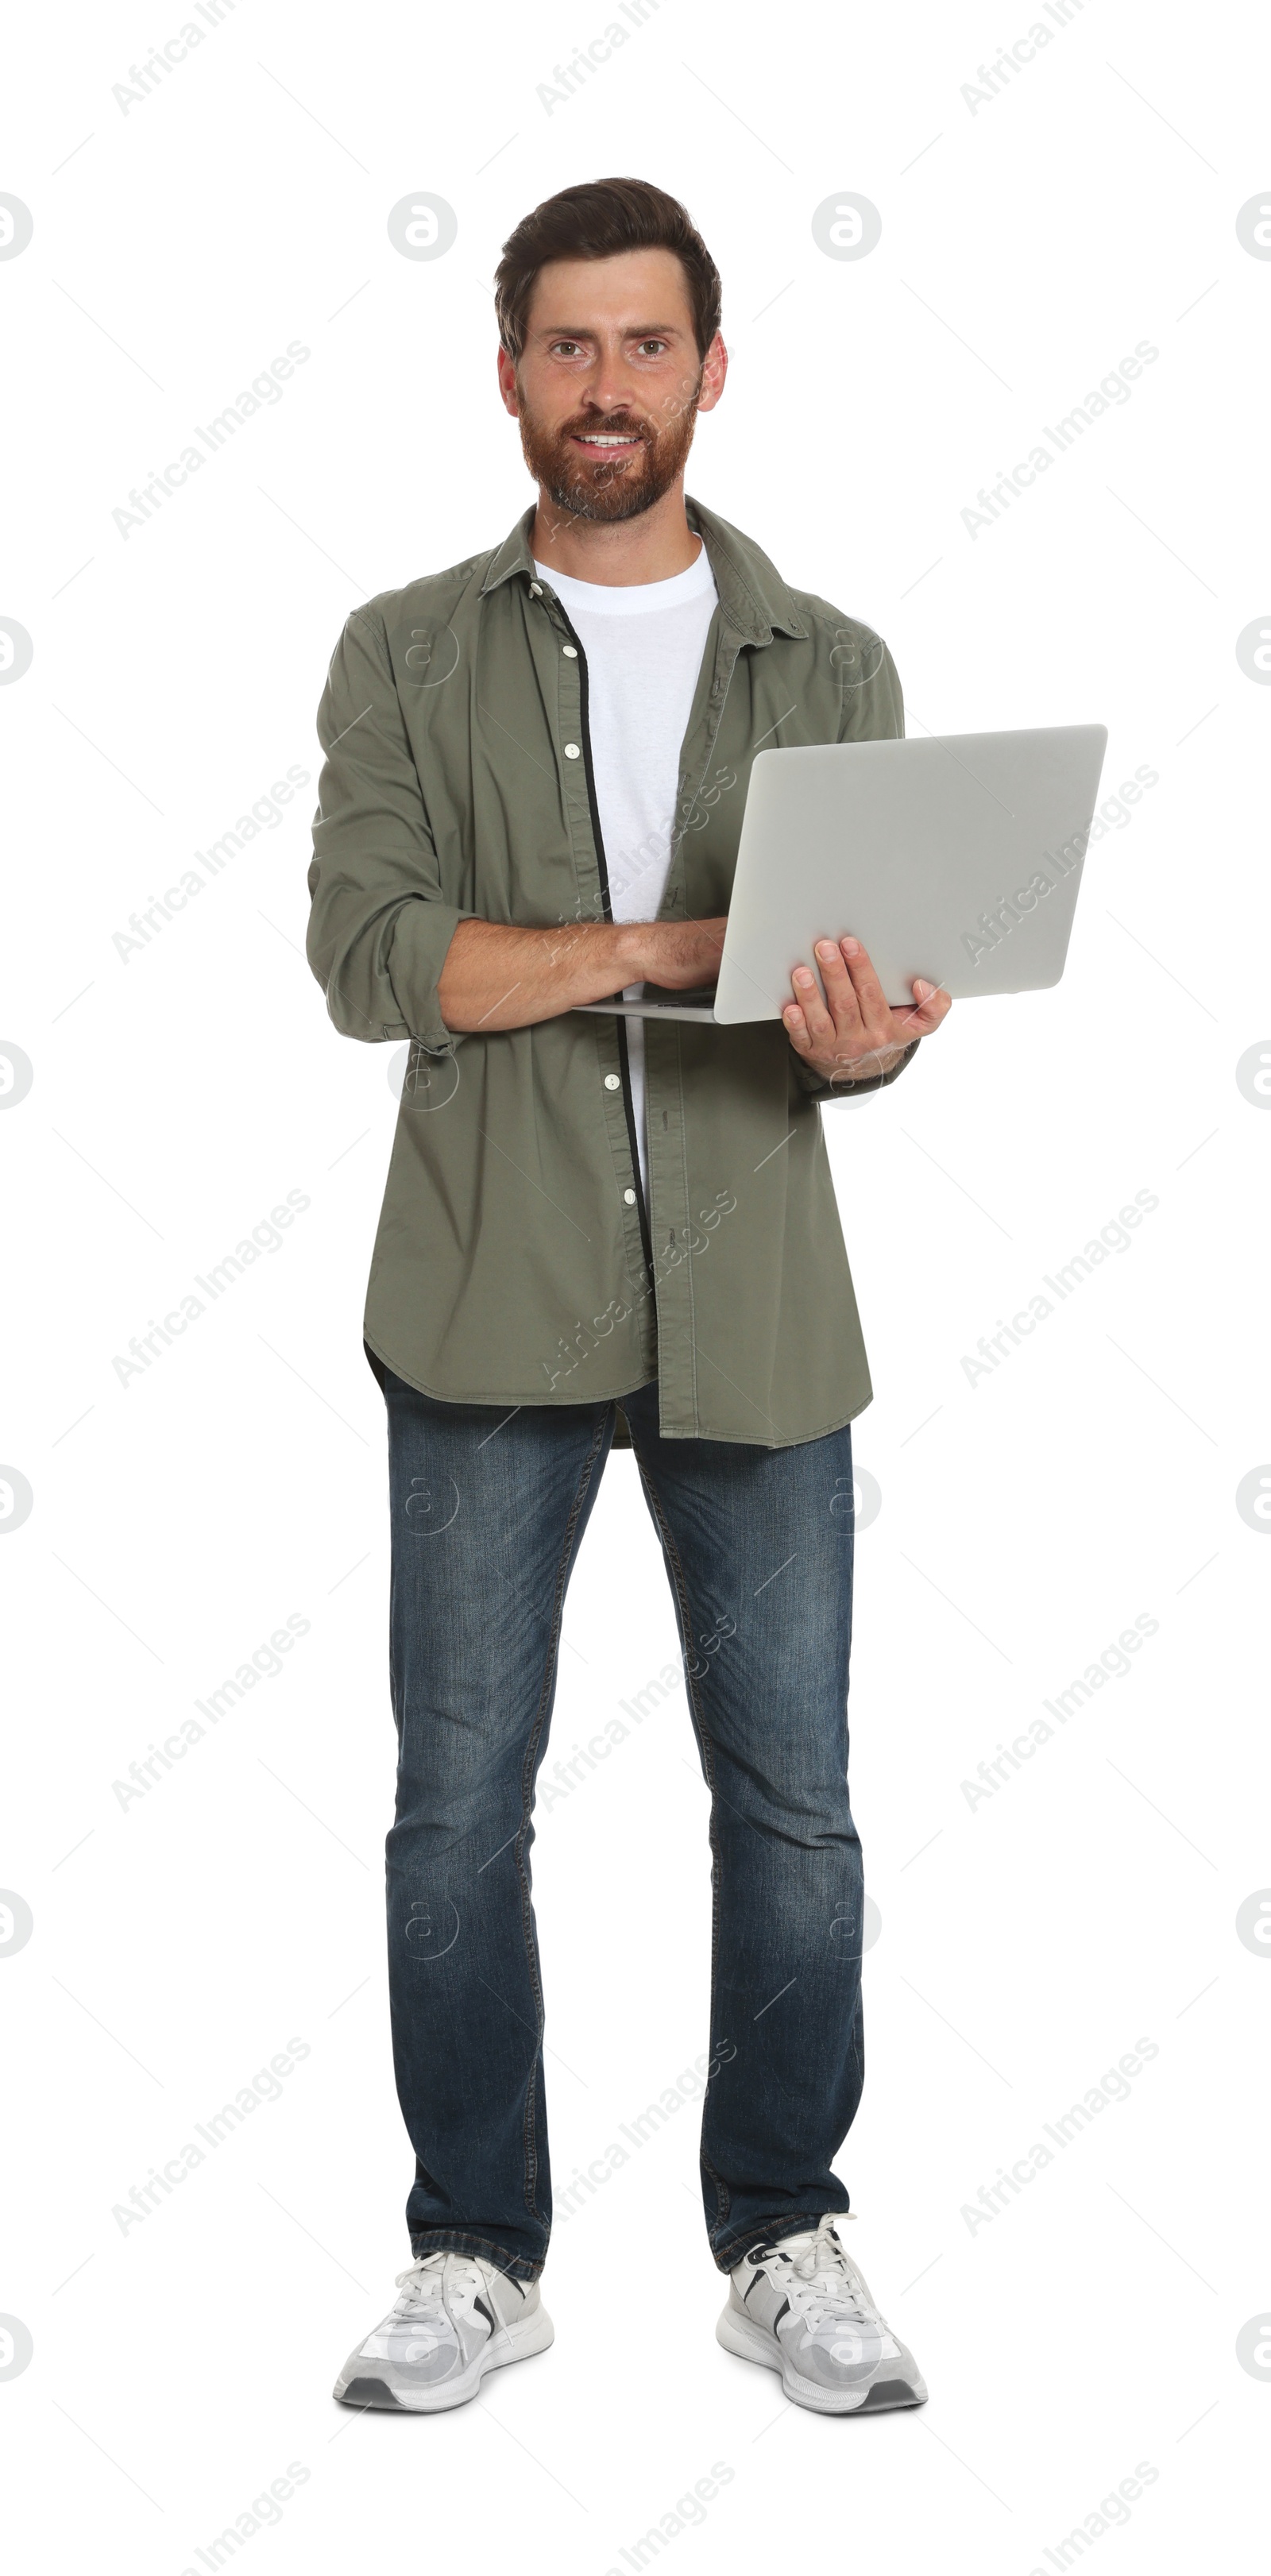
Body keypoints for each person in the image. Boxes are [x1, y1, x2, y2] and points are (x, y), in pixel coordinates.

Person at [306, 176, 951, 2418]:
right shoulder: (404, 648)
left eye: (644, 345)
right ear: (508, 373)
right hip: (484, 1301)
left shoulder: (834, 663)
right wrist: (671, 950)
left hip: (757, 1299)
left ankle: (784, 2226)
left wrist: (860, 1031)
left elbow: (831, 1019)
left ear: (709, 367)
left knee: (795, 1802)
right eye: (565, 346)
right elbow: (379, 962)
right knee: (459, 1803)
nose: (605, 387)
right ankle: (475, 2247)